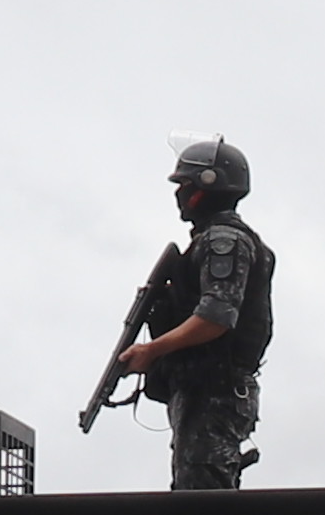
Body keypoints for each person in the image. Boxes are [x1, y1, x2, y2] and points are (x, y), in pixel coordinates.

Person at [97, 139, 275, 492]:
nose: (179, 194)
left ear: (205, 187)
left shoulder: (224, 240)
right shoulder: (211, 240)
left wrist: (152, 351)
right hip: (205, 389)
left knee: (202, 502)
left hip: (216, 390)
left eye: (184, 185)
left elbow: (215, 316)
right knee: (194, 492)